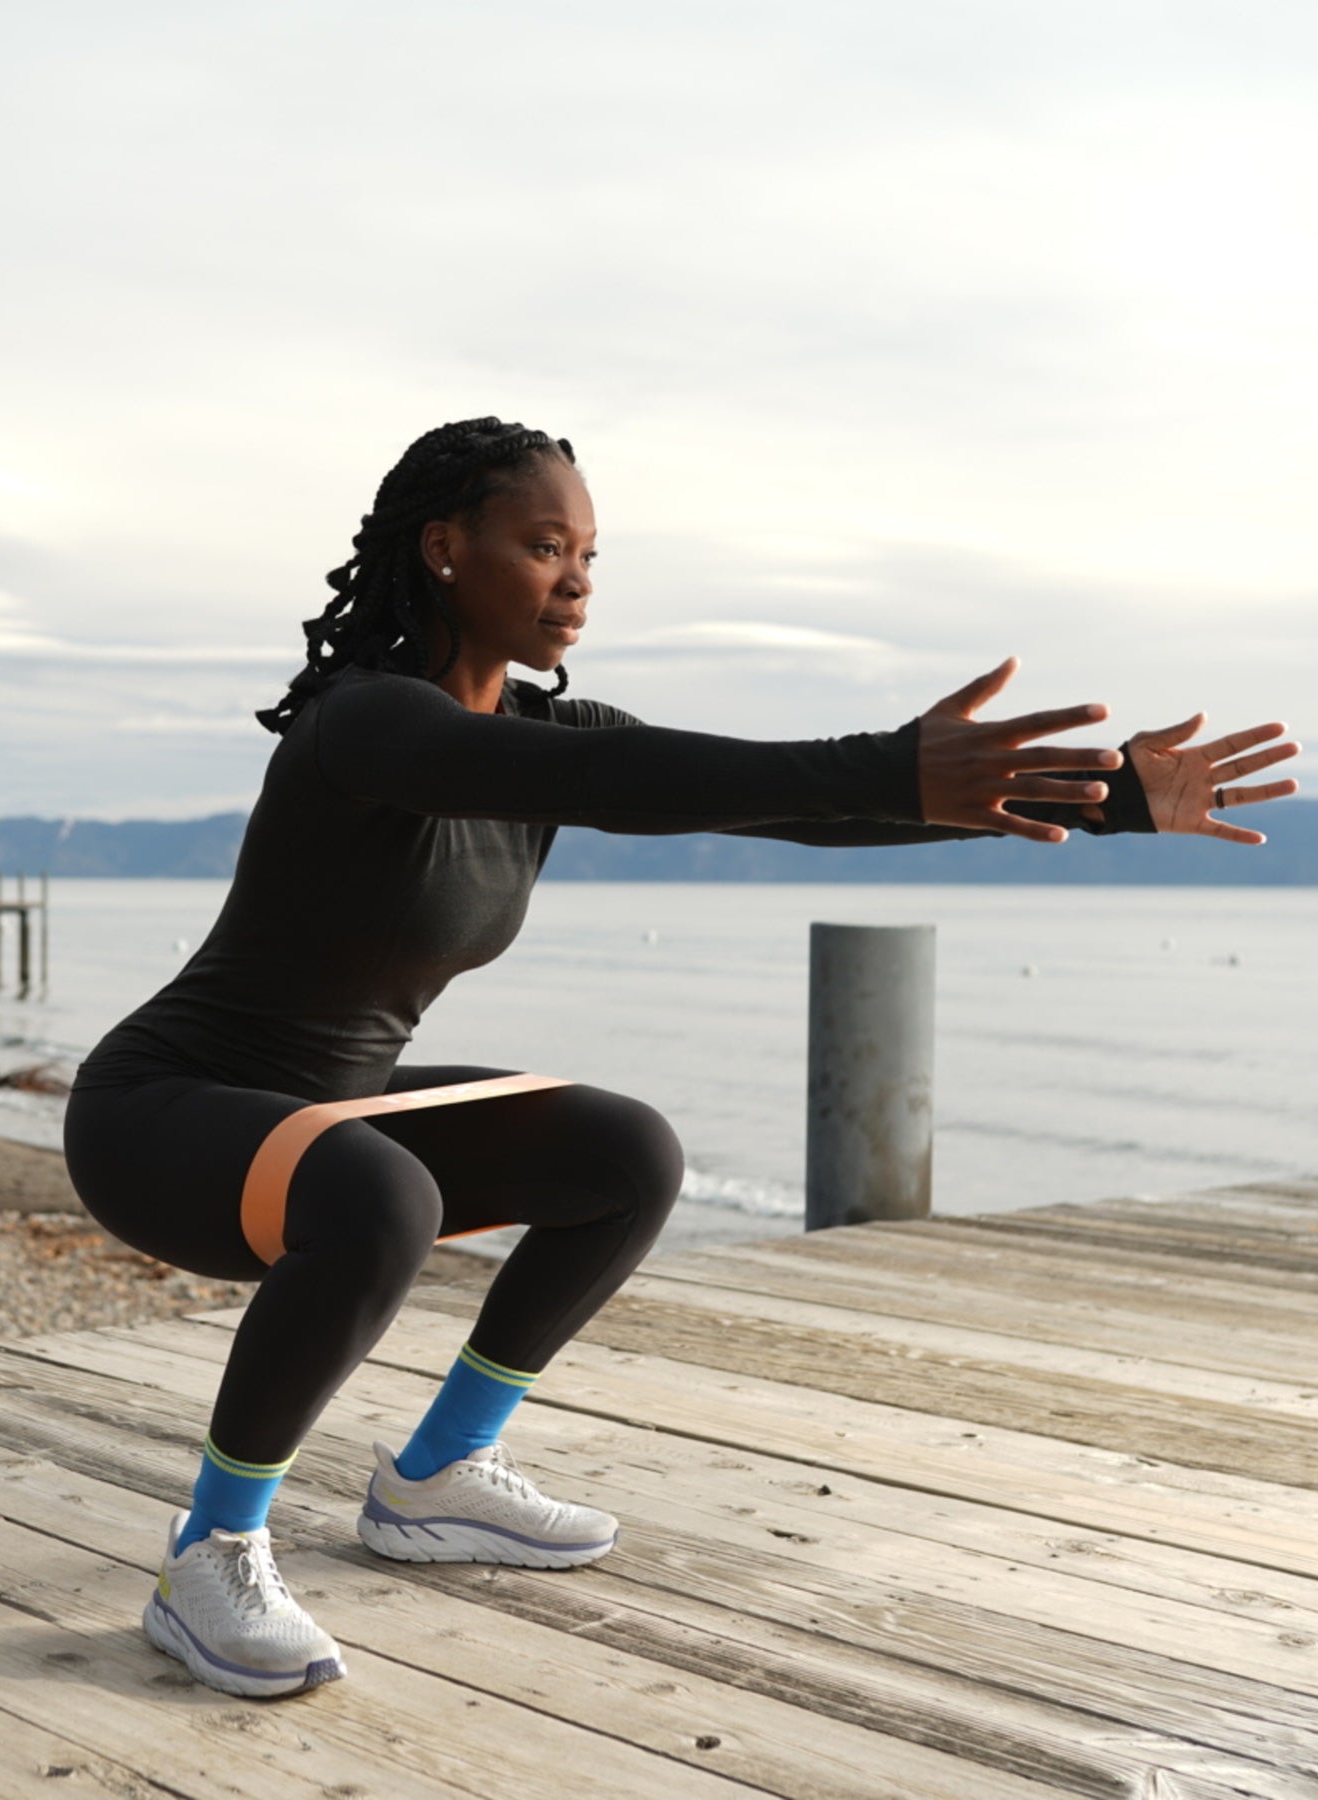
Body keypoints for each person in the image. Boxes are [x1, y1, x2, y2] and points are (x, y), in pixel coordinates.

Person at [63, 417, 1298, 1700]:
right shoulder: (366, 725)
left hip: (327, 1112)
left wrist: (1111, 804)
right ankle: (211, 1550)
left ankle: (434, 1480)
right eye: (545, 546)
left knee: (622, 1150)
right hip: (165, 1115)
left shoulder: (543, 735)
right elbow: (616, 773)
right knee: (382, 1194)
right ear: (442, 549)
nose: (579, 579)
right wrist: (883, 761)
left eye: (590, 551)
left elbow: (761, 801)